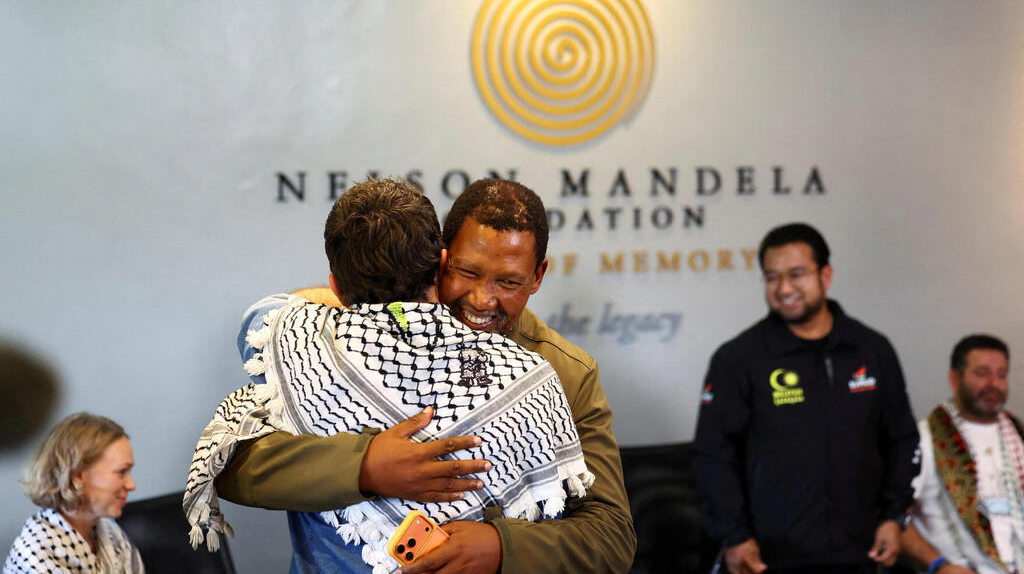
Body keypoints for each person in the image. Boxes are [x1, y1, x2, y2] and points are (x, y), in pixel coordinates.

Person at [185, 177, 634, 573]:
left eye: (509, 283)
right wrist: (364, 466)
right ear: (439, 260)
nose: (481, 299)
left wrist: (501, 548)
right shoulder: (331, 344)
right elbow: (232, 467)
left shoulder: (562, 373)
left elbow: (611, 537)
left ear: (538, 277)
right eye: (467, 272)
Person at [694, 222, 919, 574]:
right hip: (770, 558)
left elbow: (902, 440)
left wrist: (894, 516)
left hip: (861, 552)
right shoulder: (738, 358)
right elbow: (712, 456)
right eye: (772, 277)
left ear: (825, 275)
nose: (784, 288)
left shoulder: (871, 349)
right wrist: (734, 535)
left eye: (796, 274)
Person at [901, 334, 1023, 574]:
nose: (993, 384)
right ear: (955, 379)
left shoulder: (1018, 435)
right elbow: (893, 519)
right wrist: (939, 565)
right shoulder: (925, 439)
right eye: (982, 373)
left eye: (1001, 374)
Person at [5, 412, 143, 574]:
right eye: (121, 472)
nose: (131, 485)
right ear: (78, 475)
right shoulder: (37, 559)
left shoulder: (111, 535)